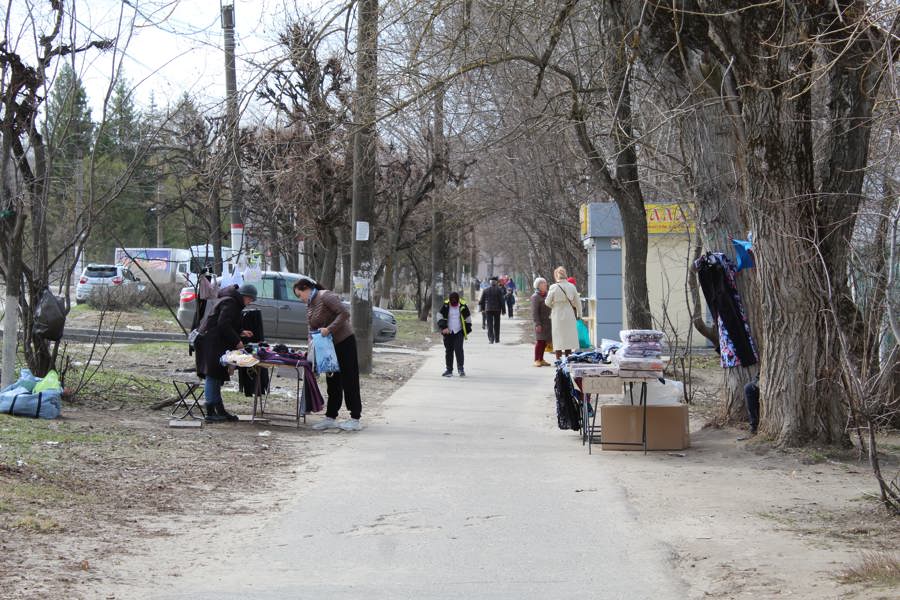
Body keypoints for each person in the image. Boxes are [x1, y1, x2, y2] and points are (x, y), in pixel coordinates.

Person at [293, 277, 362, 431]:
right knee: (333, 381)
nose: (300, 299)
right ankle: (331, 416)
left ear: (306, 288)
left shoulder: (325, 296)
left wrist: (329, 329)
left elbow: (344, 313)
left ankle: (355, 418)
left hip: (344, 341)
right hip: (328, 347)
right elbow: (310, 327)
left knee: (349, 379)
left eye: (300, 295)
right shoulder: (310, 304)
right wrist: (310, 346)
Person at [195, 283, 258, 422]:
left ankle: (220, 410)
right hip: (210, 342)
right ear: (244, 296)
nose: (250, 303)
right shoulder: (230, 302)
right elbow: (223, 324)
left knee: (217, 375)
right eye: (250, 299)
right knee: (212, 375)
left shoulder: (232, 302)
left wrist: (241, 332)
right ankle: (210, 412)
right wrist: (238, 341)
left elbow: (228, 323)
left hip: (216, 342)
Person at [545, 266, 581, 359]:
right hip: (569, 314)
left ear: (556, 276)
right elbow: (578, 302)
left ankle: (559, 360)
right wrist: (579, 314)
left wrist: (554, 306)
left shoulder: (553, 287)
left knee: (558, 339)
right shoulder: (572, 286)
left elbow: (547, 302)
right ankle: (568, 360)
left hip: (557, 314)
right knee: (568, 339)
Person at [437, 291, 472, 377]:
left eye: (455, 300)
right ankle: (449, 370)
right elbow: (439, 316)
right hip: (448, 332)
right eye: (451, 300)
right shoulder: (445, 306)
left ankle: (461, 369)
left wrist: (466, 331)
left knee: (459, 350)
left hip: (459, 332)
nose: (453, 301)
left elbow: (468, 318)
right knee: (449, 351)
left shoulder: (463, 306)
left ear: (458, 299)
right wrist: (443, 327)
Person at [531, 277, 552, 367]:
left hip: (548, 322)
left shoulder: (547, 295)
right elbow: (534, 312)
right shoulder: (535, 297)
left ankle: (541, 359)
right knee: (540, 341)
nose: (545, 285)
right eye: (543, 283)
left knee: (544, 341)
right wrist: (537, 324)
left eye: (546, 283)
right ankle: (536, 359)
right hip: (540, 322)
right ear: (538, 286)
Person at [478, 276, 506, 344]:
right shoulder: (499, 290)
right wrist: (503, 310)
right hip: (497, 310)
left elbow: (482, 301)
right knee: (497, 324)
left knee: (489, 324)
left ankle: (491, 339)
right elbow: (502, 301)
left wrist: (482, 309)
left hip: (488, 309)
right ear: (496, 282)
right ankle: (497, 339)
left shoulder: (485, 290)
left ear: (490, 283)